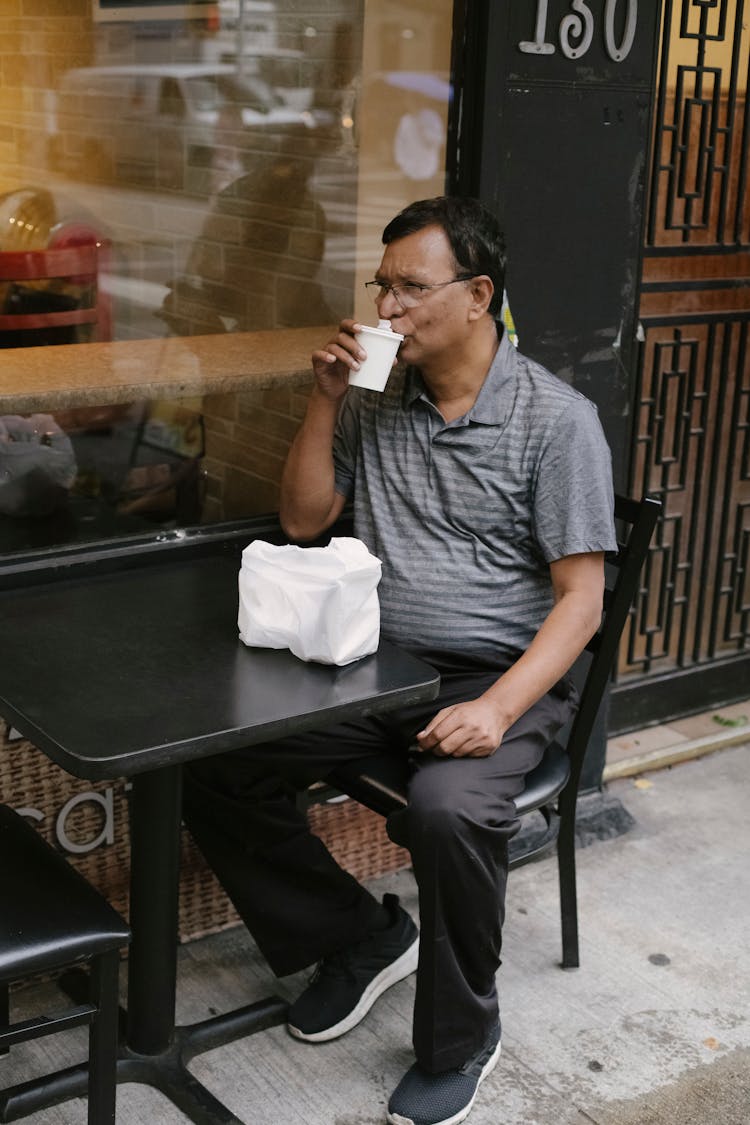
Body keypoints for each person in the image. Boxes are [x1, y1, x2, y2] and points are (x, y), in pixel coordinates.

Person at [182, 195, 617, 1125]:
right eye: (382, 286)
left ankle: (463, 1036)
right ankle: (364, 936)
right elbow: (303, 521)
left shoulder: (555, 421)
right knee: (219, 767)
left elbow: (583, 600)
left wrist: (499, 709)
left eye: (410, 288)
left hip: (498, 673)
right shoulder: (377, 397)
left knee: (447, 806)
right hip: (380, 662)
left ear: (477, 296)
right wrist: (325, 397)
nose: (386, 309)